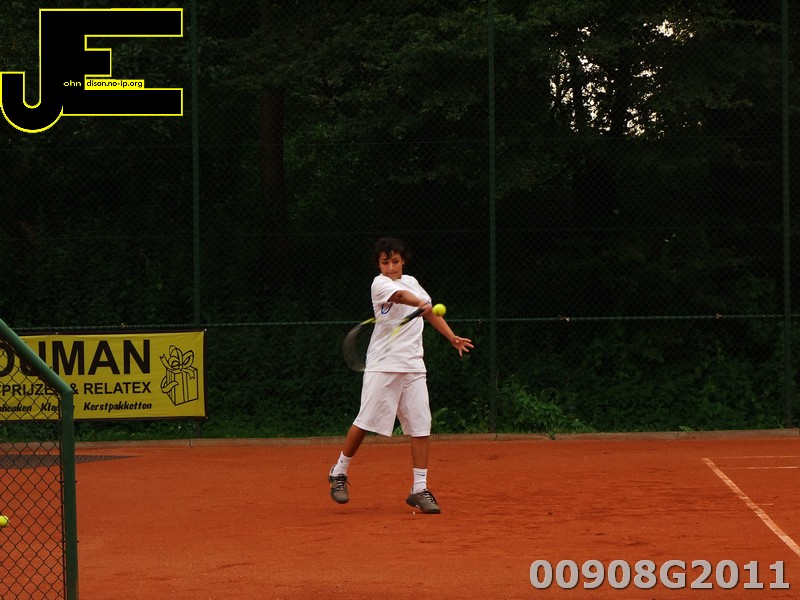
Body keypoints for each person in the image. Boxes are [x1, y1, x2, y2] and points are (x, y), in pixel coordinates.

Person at [328, 237, 474, 514]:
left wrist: (451, 337)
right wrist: (420, 302)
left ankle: (419, 489)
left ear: (403, 261)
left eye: (395, 261)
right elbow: (402, 298)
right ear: (379, 264)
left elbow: (429, 313)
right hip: (383, 364)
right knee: (365, 421)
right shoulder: (380, 284)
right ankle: (339, 471)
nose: (391, 267)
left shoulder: (413, 282)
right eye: (385, 262)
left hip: (413, 364)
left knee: (421, 425)